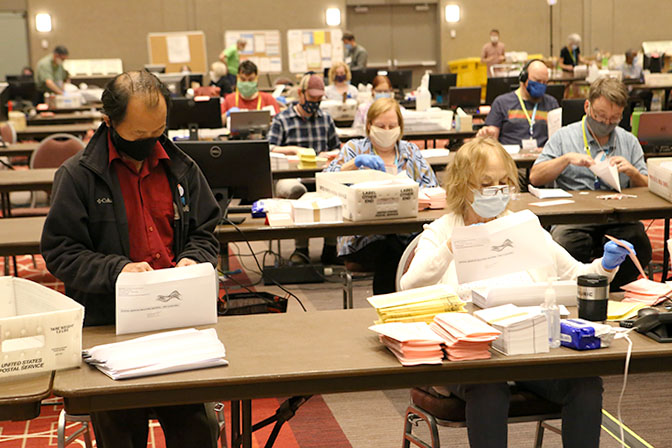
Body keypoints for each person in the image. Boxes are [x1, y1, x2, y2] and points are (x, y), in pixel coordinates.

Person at [400, 137, 633, 448]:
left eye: (503, 182)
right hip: (470, 356)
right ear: (462, 186)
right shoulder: (443, 231)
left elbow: (575, 274)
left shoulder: (524, 226)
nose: (497, 191)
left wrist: (604, 267)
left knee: (585, 383)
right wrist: (451, 247)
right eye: (485, 184)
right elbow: (409, 286)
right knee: (489, 387)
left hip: (528, 347)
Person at [41, 70, 221, 448]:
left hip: (178, 324)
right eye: (139, 136)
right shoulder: (77, 177)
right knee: (121, 437)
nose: (151, 143)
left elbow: (206, 232)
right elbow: (61, 251)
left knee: (196, 433)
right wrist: (117, 269)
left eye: (158, 132)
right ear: (109, 123)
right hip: (110, 330)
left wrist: (193, 260)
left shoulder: (182, 168)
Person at [529, 77, 651, 290]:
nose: (605, 123)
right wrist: (565, 159)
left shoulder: (628, 141)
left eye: (614, 118)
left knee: (638, 244)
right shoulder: (565, 136)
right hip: (574, 218)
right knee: (563, 244)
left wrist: (632, 171)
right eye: (600, 116)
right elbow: (535, 176)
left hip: (619, 217)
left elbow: (649, 186)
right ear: (587, 107)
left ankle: (614, 294)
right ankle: (579, 295)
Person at [325, 97, 438, 293]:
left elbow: (432, 187)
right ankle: (393, 303)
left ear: (400, 127)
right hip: (362, 236)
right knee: (391, 249)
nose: (386, 130)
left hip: (407, 231)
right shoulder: (355, 149)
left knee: (401, 246)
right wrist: (354, 164)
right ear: (369, 125)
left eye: (391, 126)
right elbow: (327, 181)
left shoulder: (410, 152)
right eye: (381, 125)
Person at [268, 73, 341, 264]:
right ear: (301, 94)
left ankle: (330, 248)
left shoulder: (325, 119)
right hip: (291, 176)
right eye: (312, 98)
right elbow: (269, 147)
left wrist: (329, 154)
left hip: (320, 174)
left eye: (319, 99)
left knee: (335, 190)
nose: (315, 103)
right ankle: (301, 249)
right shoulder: (282, 119)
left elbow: (337, 147)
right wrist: (294, 151)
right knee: (296, 191)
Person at [477, 59, 559, 149]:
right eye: (538, 81)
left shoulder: (551, 103)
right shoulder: (502, 102)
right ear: (524, 78)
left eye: (545, 82)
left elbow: (557, 139)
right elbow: (491, 135)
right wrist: (487, 134)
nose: (541, 85)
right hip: (510, 159)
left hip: (543, 159)